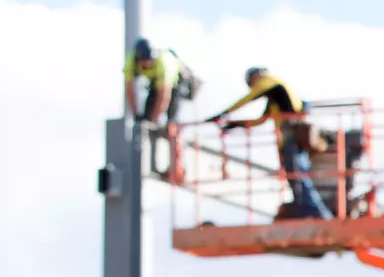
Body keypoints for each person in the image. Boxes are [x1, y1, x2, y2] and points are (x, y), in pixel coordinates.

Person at [204, 67, 331, 219]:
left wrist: (223, 114)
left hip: (293, 139)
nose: (253, 86)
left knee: (299, 178)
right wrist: (235, 125)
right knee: (296, 178)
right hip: (291, 140)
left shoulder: (269, 82)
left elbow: (249, 98)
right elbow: (261, 120)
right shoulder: (274, 96)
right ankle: (308, 210)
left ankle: (317, 214)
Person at [122, 37, 198, 127]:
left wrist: (153, 121)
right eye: (145, 61)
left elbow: (164, 96)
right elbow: (129, 91)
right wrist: (136, 114)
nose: (148, 64)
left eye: (150, 60)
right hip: (156, 81)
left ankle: (173, 131)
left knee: (171, 118)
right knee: (147, 116)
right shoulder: (130, 62)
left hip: (179, 79)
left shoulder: (162, 64)